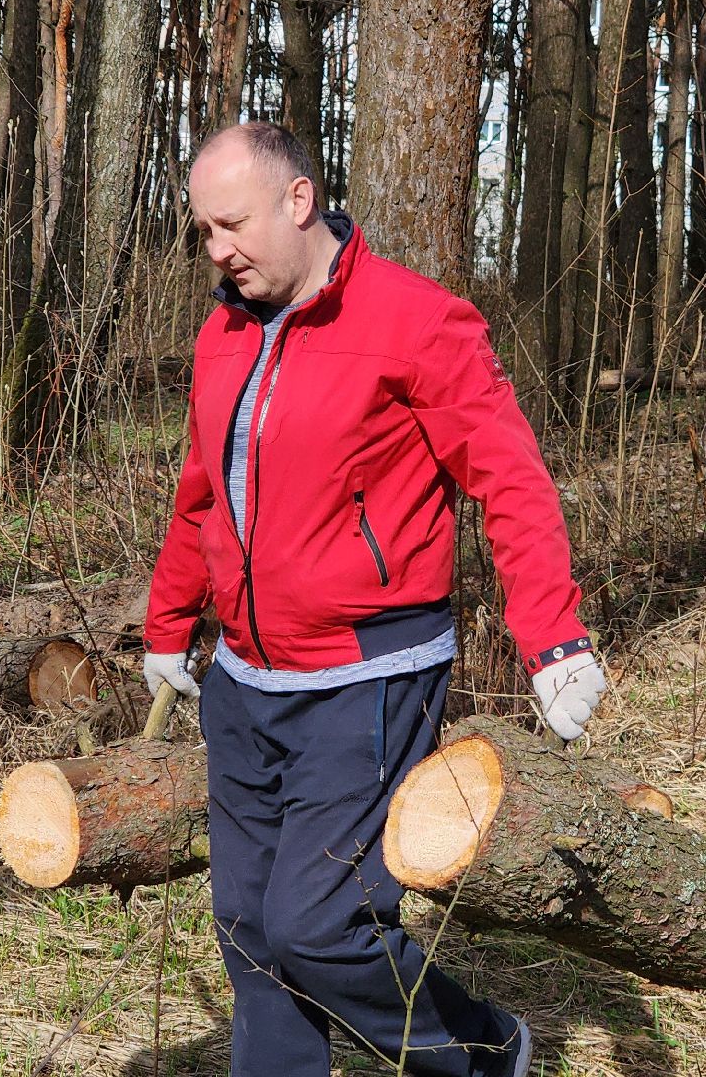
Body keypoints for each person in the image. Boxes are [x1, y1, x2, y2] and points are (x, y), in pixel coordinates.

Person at [142, 121, 606, 1077]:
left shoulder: (417, 321)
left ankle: (484, 1051)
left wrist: (553, 637)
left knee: (317, 924)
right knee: (247, 923)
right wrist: (171, 621)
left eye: (230, 224)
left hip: (368, 675)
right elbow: (204, 489)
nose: (216, 250)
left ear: (298, 201)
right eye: (203, 230)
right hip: (244, 678)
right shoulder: (224, 332)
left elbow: (509, 477)